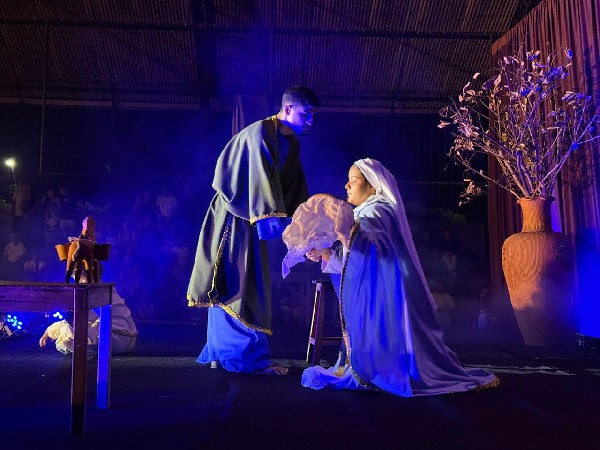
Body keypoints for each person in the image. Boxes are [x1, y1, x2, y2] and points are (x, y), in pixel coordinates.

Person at [300, 158, 498, 396]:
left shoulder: (378, 211)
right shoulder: (364, 213)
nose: (346, 186)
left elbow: (368, 246)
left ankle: (381, 368)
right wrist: (326, 253)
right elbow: (357, 258)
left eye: (353, 180)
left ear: (372, 185)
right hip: (376, 292)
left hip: (387, 298)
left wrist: (343, 230)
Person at [187, 85, 319, 375]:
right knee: (238, 281)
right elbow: (259, 183)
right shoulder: (260, 133)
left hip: (254, 218)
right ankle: (241, 358)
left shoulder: (290, 143)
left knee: (245, 280)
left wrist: (306, 227)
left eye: (313, 115)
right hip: (235, 217)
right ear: (287, 109)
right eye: (305, 113)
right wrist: (277, 225)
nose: (310, 121)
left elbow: (294, 189)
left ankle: (225, 354)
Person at [39, 285, 138, 355]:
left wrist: (51, 330)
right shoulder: (108, 289)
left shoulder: (93, 292)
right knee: (69, 330)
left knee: (66, 335)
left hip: (113, 340)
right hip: (129, 340)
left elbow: (79, 321)